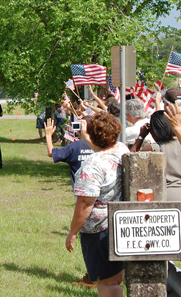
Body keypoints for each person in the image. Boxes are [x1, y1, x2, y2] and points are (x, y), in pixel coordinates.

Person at [139, 105, 181, 287]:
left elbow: (131, 158)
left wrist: (141, 136)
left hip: (168, 201)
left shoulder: (153, 147)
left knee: (162, 254)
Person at [66, 113, 128, 297]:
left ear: (93, 136)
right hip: (120, 223)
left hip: (100, 231)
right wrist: (88, 138)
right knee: (116, 277)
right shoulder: (122, 150)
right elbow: (103, 151)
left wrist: (72, 232)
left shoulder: (92, 165)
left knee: (108, 283)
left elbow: (85, 204)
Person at [45, 117, 96, 289]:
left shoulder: (75, 147)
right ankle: (100, 274)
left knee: (87, 237)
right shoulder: (106, 147)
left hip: (82, 197)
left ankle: (93, 276)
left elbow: (52, 153)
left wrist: (48, 135)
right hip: (104, 198)